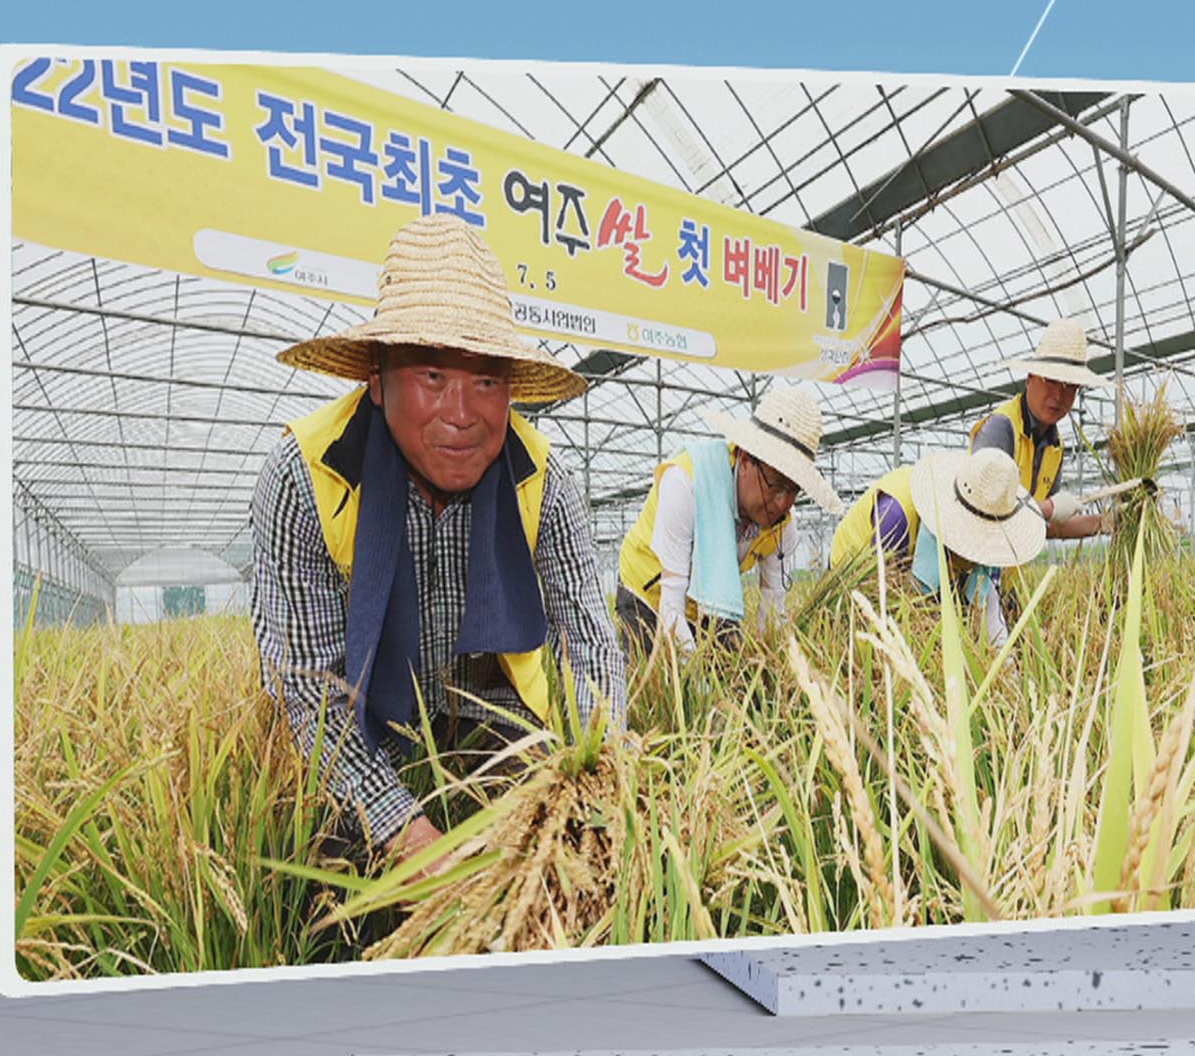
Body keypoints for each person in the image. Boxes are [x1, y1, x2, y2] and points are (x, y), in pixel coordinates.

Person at [250, 213, 628, 873]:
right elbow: (309, 692)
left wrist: (594, 776)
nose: (461, 414)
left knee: (555, 850)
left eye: (486, 381)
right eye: (432, 376)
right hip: (364, 712)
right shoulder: (306, 477)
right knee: (333, 856)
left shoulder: (543, 478)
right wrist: (413, 839)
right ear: (377, 379)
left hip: (488, 711)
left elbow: (590, 645)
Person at [615, 386, 843, 655]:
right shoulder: (686, 482)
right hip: (649, 592)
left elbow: (773, 610)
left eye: (794, 491)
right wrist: (695, 674)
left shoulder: (783, 526)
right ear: (745, 460)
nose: (783, 503)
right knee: (657, 671)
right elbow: (671, 607)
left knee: (733, 666)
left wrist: (773, 662)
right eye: (776, 486)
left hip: (709, 596)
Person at [828, 448, 1048, 646]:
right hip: (854, 572)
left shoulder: (992, 546)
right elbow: (887, 613)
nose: (981, 550)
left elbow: (991, 614)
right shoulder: (895, 517)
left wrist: (1007, 664)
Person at [969, 318, 1114, 541]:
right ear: (1030, 379)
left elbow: (1043, 525)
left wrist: (1103, 522)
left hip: (1010, 558)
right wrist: (1049, 507)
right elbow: (981, 506)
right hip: (970, 554)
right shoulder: (1003, 428)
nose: (1058, 395)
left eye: (1070, 387)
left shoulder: (1055, 447)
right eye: (1051, 381)